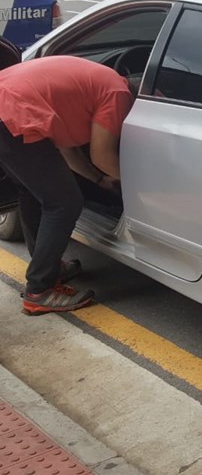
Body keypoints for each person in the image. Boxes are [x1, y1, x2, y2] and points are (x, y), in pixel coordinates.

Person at [0, 56, 134, 315]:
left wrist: (99, 180)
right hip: (14, 112)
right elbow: (102, 156)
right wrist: (138, 187)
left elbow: (67, 150)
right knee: (64, 203)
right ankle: (40, 289)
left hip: (8, 108)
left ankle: (47, 266)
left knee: (33, 191)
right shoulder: (118, 93)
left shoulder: (95, 85)